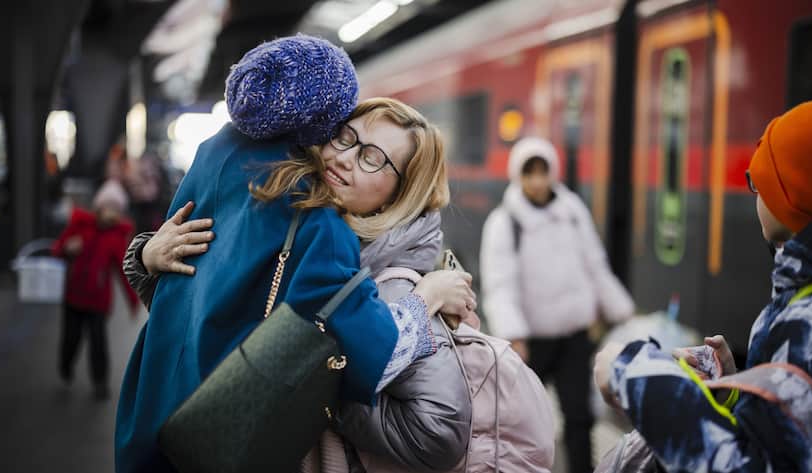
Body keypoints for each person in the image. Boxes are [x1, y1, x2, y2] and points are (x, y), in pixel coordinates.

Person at [115, 37, 475, 473]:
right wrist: (430, 296)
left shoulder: (218, 154)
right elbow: (370, 359)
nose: (344, 158)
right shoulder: (320, 225)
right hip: (211, 438)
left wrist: (144, 256)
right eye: (345, 137)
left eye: (372, 158)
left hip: (145, 413)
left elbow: (202, 294)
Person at [594, 97, 812, 472]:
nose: (756, 197)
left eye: (759, 184)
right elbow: (798, 431)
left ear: (788, 197)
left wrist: (629, 370)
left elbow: (745, 465)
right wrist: (742, 386)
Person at [479, 136, 634, 473]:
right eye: (529, 172)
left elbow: (595, 264)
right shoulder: (504, 223)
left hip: (575, 337)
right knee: (525, 419)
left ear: (553, 172)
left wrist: (620, 309)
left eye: (542, 171)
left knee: (579, 416)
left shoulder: (572, 212)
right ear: (517, 176)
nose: (537, 180)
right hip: (531, 343)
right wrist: (514, 334)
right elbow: (499, 284)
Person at [51, 178, 139, 400]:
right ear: (98, 206)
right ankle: (65, 368)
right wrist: (67, 249)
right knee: (70, 339)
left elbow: (124, 270)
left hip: (98, 301)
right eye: (108, 206)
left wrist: (134, 300)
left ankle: (100, 382)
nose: (111, 212)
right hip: (73, 296)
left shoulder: (117, 237)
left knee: (98, 343)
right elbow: (57, 249)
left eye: (116, 209)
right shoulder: (80, 225)